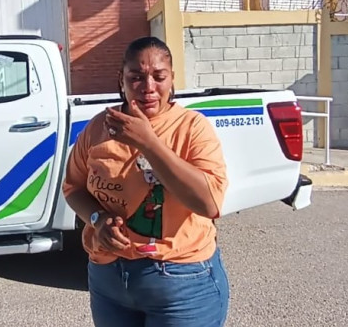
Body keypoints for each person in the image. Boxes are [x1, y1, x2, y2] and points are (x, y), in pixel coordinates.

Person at [62, 36, 230, 327]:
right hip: (109, 281)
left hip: (181, 281)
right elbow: (73, 187)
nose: (148, 87)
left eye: (159, 77)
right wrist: (98, 219)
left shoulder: (192, 128)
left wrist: (149, 143)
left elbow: (209, 203)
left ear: (172, 79)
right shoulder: (98, 128)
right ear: (122, 79)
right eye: (136, 77)